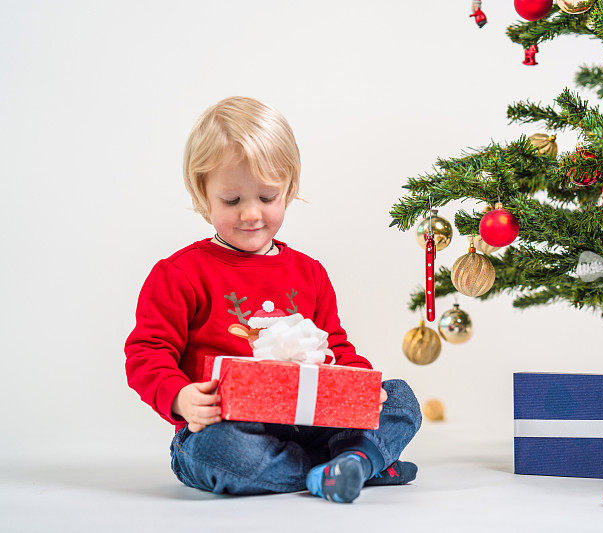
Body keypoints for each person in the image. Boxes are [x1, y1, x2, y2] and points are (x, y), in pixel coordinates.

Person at [124, 96, 421, 503]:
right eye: (232, 201)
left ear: (288, 190)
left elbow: (335, 347)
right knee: (215, 453)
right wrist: (180, 397)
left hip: (312, 420)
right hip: (227, 428)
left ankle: (349, 460)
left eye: (266, 198)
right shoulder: (178, 274)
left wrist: (360, 384)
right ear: (202, 193)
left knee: (400, 397)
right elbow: (147, 353)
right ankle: (358, 465)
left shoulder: (309, 272)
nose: (250, 214)